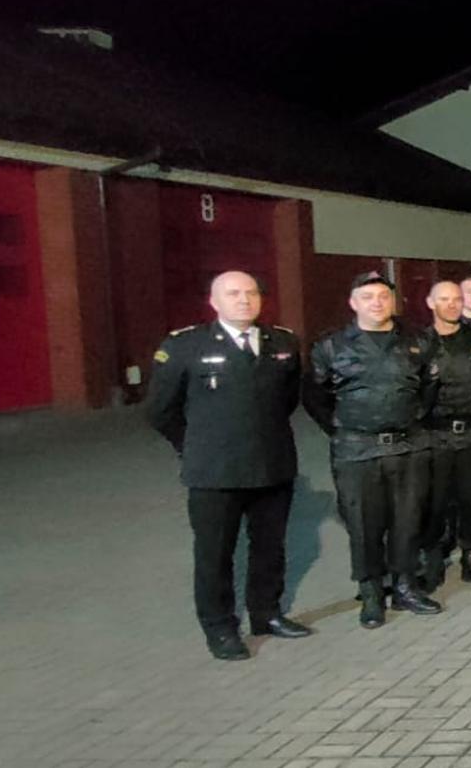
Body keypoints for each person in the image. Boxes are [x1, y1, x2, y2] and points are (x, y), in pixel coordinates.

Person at [146, 270, 311, 661]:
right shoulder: (186, 346)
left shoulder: (282, 342)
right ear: (214, 302)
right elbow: (160, 410)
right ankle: (220, 627)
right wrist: (195, 445)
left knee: (269, 548)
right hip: (214, 472)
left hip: (271, 464)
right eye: (233, 293)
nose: (244, 300)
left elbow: (285, 401)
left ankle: (266, 614)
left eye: (251, 292)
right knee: (214, 554)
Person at [305, 271, 442, 628]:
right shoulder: (332, 346)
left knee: (408, 521)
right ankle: (370, 594)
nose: (377, 303)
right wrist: (339, 428)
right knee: (364, 525)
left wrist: (413, 417)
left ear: (393, 302)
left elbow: (430, 387)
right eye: (367, 297)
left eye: (383, 296)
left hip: (407, 446)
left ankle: (405, 587)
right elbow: (315, 396)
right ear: (353, 303)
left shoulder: (416, 340)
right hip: (357, 451)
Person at [418, 281, 471, 590]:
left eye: (457, 299)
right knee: (434, 503)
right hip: (434, 435)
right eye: (444, 299)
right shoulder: (418, 343)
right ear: (431, 302)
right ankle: (431, 564)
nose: (452, 305)